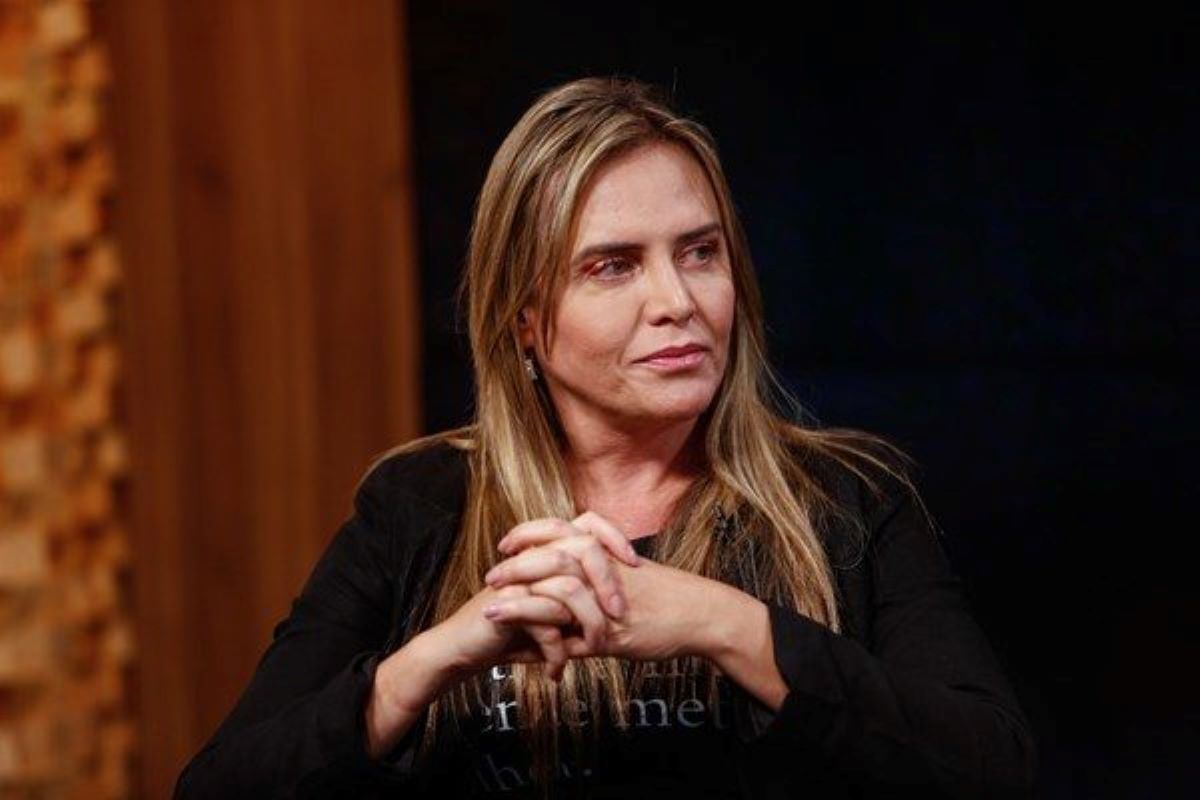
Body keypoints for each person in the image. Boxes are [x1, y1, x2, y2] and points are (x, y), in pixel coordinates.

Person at [174, 76, 1037, 799]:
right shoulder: (420, 506)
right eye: (613, 266)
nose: (677, 301)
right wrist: (439, 656)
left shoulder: (850, 499)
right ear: (524, 317)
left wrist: (725, 624)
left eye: (700, 253)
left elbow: (991, 768)